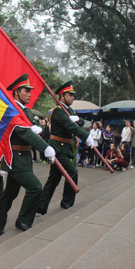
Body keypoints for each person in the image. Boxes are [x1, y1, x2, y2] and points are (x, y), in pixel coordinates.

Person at [0, 74, 56, 236]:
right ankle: (24, 220)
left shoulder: (25, 110)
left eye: (30, 91)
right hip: (15, 158)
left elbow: (31, 127)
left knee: (10, 194)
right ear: (17, 92)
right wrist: (44, 147)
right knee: (35, 188)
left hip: (23, 158)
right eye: (26, 91)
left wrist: (36, 128)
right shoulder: (12, 110)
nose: (30, 94)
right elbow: (24, 132)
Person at [37, 80, 93, 214]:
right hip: (58, 148)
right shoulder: (57, 111)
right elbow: (71, 127)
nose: (73, 97)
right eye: (70, 95)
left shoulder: (69, 110)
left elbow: (81, 121)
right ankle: (67, 201)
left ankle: (41, 206)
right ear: (62, 96)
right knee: (72, 173)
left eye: (73, 95)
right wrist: (86, 136)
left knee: (54, 179)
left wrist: (78, 120)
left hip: (65, 148)